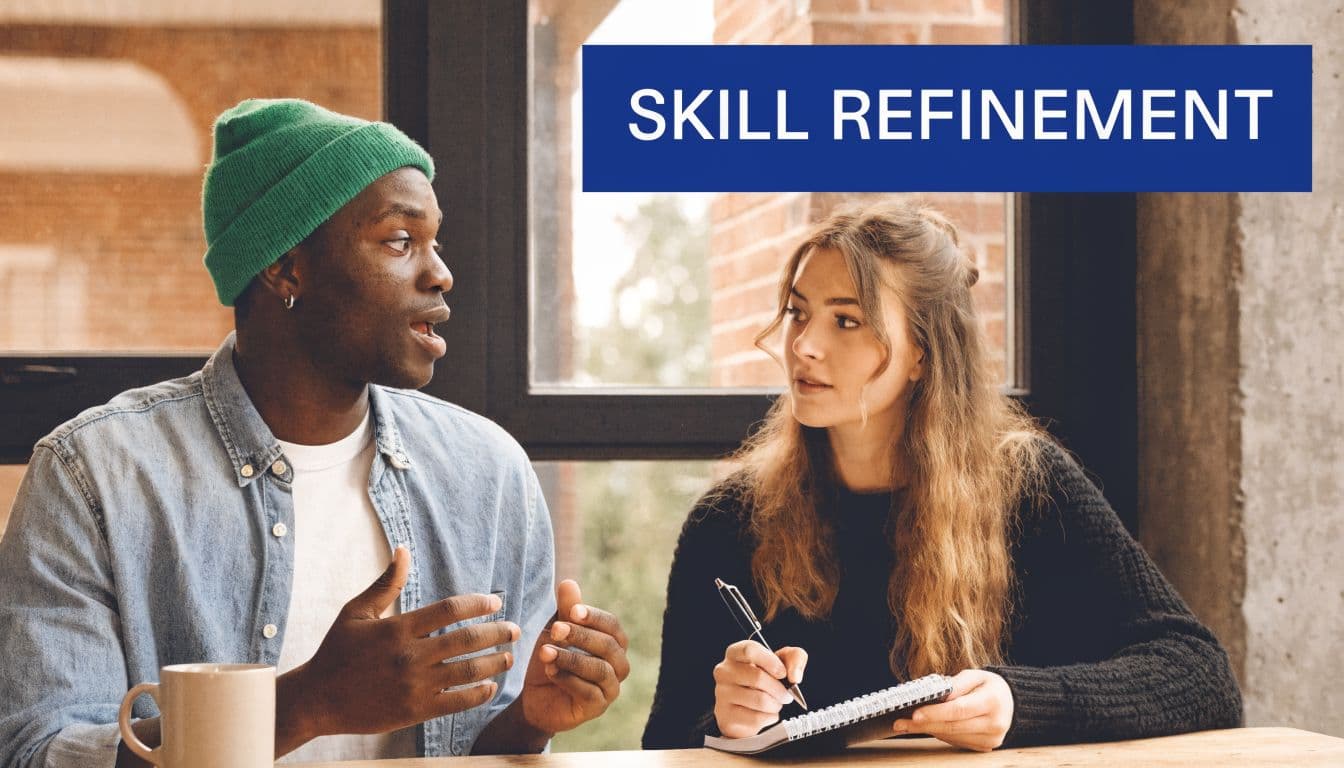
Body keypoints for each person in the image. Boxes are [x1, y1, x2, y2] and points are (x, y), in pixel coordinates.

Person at [0, 98, 629, 767]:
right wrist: (306, 704)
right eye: (399, 240)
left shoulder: (488, 472)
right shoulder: (95, 474)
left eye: (435, 243)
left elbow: (475, 749)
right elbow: (38, 753)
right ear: (285, 268)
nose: (440, 273)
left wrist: (528, 722)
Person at [641, 202, 1241, 752]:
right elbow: (663, 744)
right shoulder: (726, 521)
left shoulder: (1028, 486)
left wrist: (1020, 702)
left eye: (846, 321)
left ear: (922, 353)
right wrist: (727, 721)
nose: (804, 346)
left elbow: (1202, 674)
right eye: (798, 313)